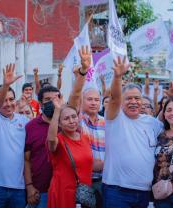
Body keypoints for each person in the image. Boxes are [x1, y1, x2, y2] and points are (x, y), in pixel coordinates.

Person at [102, 56, 165, 207]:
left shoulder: (151, 122)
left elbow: (170, 122)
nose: (133, 102)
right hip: (116, 191)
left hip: (143, 192)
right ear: (122, 102)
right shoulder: (115, 117)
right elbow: (115, 98)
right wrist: (118, 76)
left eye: (137, 98)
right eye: (128, 99)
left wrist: (171, 100)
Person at [0, 64, 28, 208]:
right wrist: (6, 85)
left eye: (11, 99)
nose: (8, 104)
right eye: (4, 100)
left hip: (19, 188)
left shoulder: (24, 121)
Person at [67, 45, 105, 207]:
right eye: (89, 99)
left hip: (105, 182)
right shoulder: (77, 120)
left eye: (97, 100)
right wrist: (83, 71)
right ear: (82, 102)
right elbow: (74, 96)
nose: (94, 102)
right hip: (82, 181)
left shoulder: (106, 123)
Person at [46, 98, 93, 208]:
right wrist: (57, 110)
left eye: (73, 116)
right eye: (66, 119)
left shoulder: (85, 137)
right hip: (63, 192)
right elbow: (51, 139)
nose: (72, 121)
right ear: (60, 124)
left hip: (83, 193)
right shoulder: (58, 140)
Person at [24, 86, 61, 208]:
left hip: (62, 190)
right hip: (39, 192)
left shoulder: (66, 123)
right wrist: (29, 186)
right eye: (48, 99)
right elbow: (26, 159)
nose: (53, 103)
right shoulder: (31, 127)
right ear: (40, 103)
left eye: (56, 98)